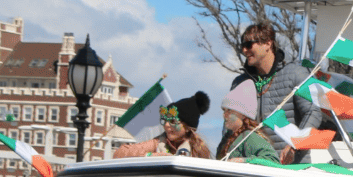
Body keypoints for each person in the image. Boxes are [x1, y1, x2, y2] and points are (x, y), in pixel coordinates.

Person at [231, 23, 320, 163]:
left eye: (248, 45)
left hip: (290, 169)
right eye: (242, 46)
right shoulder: (239, 83)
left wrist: (295, 144)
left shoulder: (296, 73)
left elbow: (313, 112)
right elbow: (230, 126)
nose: (244, 50)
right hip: (252, 166)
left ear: (267, 44)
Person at [114, 92, 212, 159]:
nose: (166, 125)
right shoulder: (158, 142)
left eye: (173, 121)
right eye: (165, 120)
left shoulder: (200, 150)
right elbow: (119, 153)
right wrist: (150, 156)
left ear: (187, 127)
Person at [216, 80, 281, 163]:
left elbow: (273, 160)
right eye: (224, 110)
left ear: (243, 115)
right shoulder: (226, 139)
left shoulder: (249, 136)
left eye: (229, 111)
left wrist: (244, 161)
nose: (224, 115)